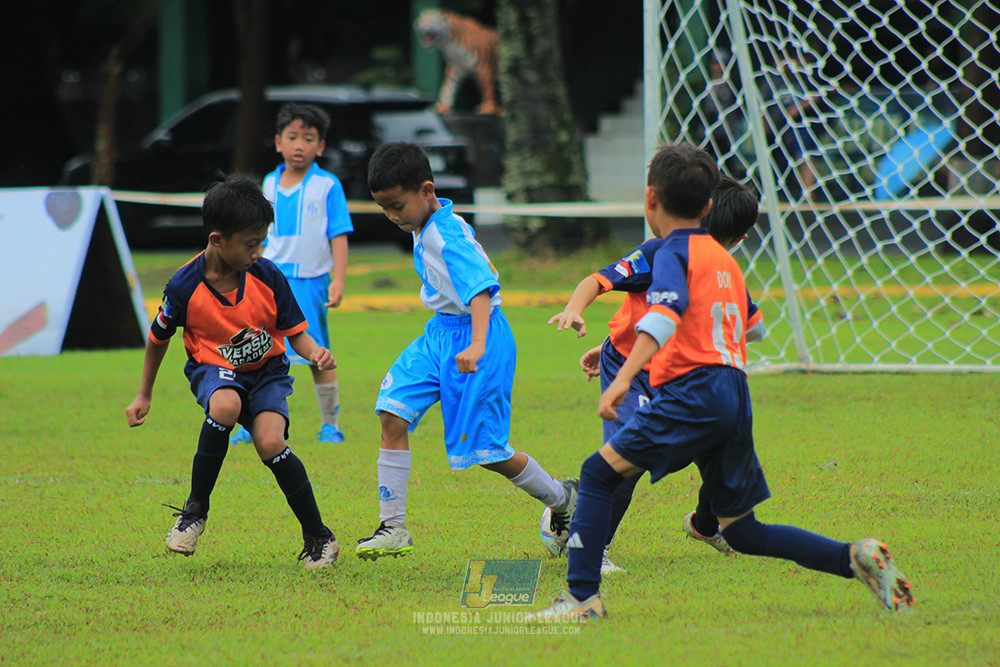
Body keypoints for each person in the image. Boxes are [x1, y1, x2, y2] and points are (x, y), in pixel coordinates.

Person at [530, 144, 913, 621]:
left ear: (650, 199)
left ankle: (583, 600)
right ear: (709, 207)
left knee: (598, 473)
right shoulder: (724, 259)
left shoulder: (671, 250)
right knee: (743, 531)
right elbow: (752, 327)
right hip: (734, 391)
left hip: (693, 392)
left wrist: (623, 377)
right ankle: (853, 556)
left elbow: (665, 314)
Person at [355, 141, 577, 560]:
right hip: (439, 334)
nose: (392, 217)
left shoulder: (445, 233)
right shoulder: (425, 225)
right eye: (384, 208)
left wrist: (477, 343)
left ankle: (563, 500)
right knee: (392, 411)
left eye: (397, 206)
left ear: (426, 190)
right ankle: (393, 526)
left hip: (480, 336)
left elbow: (480, 291)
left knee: (487, 452)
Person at [124, 175, 341, 570]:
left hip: (268, 372)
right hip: (214, 368)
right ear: (217, 239)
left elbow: (296, 333)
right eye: (251, 243)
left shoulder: (267, 276)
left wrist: (316, 354)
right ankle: (194, 513)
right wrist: (144, 394)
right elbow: (158, 339)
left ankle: (320, 536)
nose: (259, 251)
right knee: (224, 405)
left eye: (262, 241)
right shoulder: (184, 286)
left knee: (270, 442)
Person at [549, 176, 761, 574]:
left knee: (720, 457)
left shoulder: (721, 271)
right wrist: (575, 309)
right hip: (629, 367)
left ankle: (705, 525)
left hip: (681, 375)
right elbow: (598, 280)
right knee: (626, 463)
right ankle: (593, 547)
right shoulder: (660, 253)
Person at [230, 103, 353, 447]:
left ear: (321, 147)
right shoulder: (268, 183)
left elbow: (338, 235)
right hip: (266, 281)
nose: (300, 145)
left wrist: (338, 280)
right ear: (278, 142)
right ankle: (247, 420)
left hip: (310, 282)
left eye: (309, 138)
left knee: (317, 354)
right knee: (254, 351)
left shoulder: (328, 186)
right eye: (293, 137)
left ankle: (331, 425)